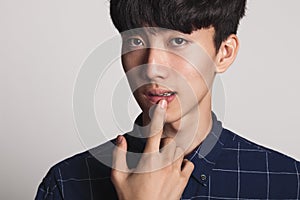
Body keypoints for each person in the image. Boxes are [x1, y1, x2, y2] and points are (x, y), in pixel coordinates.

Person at [35, 0, 300, 199]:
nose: (151, 67)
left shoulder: (287, 182)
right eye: (136, 40)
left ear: (224, 53)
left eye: (177, 41)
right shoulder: (66, 183)